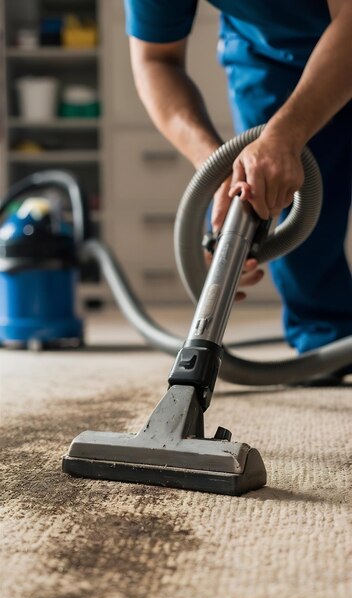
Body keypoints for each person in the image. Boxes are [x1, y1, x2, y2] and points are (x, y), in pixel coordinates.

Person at [123, 0, 352, 374]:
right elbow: (155, 60)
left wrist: (287, 133)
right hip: (271, 56)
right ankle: (328, 345)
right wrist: (217, 167)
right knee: (285, 215)